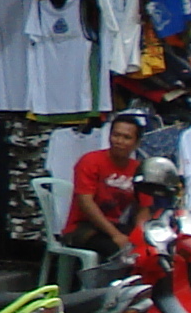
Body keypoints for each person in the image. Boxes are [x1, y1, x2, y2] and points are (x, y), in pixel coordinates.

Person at [63, 112, 147, 262]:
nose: (119, 141)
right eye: (116, 135)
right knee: (118, 252)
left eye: (126, 137)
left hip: (116, 225)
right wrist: (116, 235)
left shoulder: (139, 169)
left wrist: (139, 234)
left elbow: (143, 207)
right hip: (83, 228)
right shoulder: (90, 161)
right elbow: (86, 203)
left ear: (137, 143)